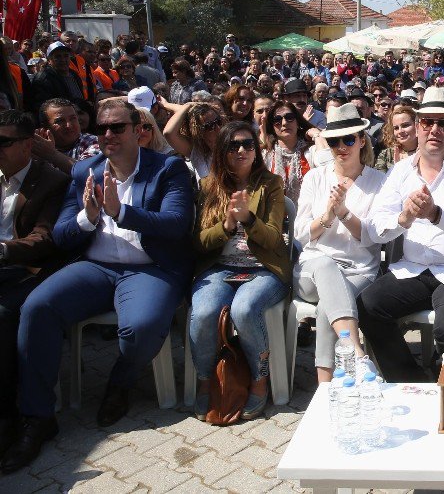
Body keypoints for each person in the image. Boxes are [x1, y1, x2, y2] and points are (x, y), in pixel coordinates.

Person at [5, 101, 194, 472]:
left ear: (138, 129)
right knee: (37, 307)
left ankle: (121, 381)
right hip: (96, 267)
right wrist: (87, 216)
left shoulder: (167, 168)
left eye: (117, 127)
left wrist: (121, 212)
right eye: (102, 128)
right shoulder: (84, 171)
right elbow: (60, 234)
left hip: (149, 269)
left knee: (139, 328)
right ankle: (38, 417)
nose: (108, 135)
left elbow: (176, 223)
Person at [358, 88, 444, 381]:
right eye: (427, 122)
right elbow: (375, 227)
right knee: (368, 306)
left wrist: (437, 215)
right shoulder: (400, 172)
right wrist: (403, 218)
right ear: (418, 127)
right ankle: (411, 382)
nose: (435, 130)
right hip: (415, 269)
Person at [189, 122, 290, 421]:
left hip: (264, 268)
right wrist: (227, 226)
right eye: (234, 146)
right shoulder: (209, 186)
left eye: (248, 144)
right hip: (220, 267)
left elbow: (273, 239)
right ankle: (207, 380)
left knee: (244, 309)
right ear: (222, 151)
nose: (242, 150)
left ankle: (259, 381)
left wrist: (247, 219)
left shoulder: (270, 183)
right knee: (205, 311)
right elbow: (197, 242)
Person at [294, 105, 383, 383]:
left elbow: (374, 235)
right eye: (333, 141)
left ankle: (325, 385)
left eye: (348, 139)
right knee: (324, 263)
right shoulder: (315, 177)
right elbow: (300, 233)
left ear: (361, 140)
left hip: (359, 271)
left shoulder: (379, 182)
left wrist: (344, 213)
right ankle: (356, 353)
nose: (341, 147)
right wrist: (328, 215)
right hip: (313, 268)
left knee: (326, 308)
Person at [0, 111, 70, 461]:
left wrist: (3, 250)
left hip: (26, 269)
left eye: (4, 142)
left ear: (28, 145)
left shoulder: (51, 181)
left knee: (5, 315)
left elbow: (45, 239)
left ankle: (25, 416)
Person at [261, 100, 314, 202]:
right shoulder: (264, 155)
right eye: (277, 120)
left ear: (298, 122)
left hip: (307, 213)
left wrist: (316, 135)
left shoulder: (312, 151)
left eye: (289, 118)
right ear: (272, 127)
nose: (284, 123)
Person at [31, 98, 101, 174]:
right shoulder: (36, 148)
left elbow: (85, 173)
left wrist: (51, 154)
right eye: (60, 121)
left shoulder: (93, 142)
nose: (69, 125)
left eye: (73, 118)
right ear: (45, 127)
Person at [161, 100, 223, 182]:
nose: (217, 128)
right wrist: (187, 105)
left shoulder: (233, 143)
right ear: (199, 132)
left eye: (218, 121)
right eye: (209, 126)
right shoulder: (198, 152)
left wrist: (166, 104)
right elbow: (169, 133)